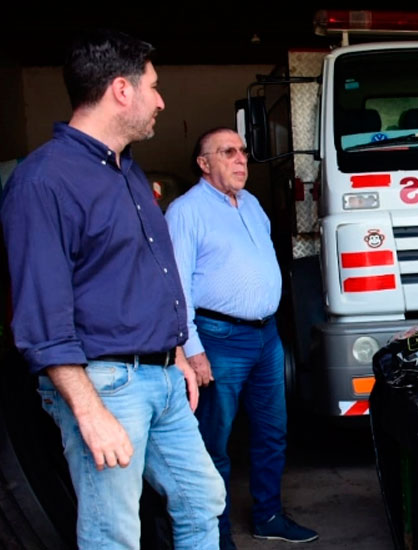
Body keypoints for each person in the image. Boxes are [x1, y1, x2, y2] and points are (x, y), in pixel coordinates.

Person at [0, 29, 226, 549]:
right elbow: (40, 318)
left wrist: (178, 354)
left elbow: (139, 278)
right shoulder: (44, 181)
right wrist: (88, 411)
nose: (161, 101)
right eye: (153, 86)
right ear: (121, 90)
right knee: (113, 533)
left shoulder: (126, 172)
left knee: (202, 501)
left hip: (165, 380)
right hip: (106, 386)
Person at [165, 127, 318, 550]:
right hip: (217, 339)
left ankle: (268, 515)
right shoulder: (185, 212)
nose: (240, 159)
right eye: (227, 152)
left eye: (243, 152)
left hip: (265, 336)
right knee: (214, 441)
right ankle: (213, 534)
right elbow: (174, 288)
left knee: (272, 433)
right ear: (203, 163)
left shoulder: (251, 204)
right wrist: (191, 350)